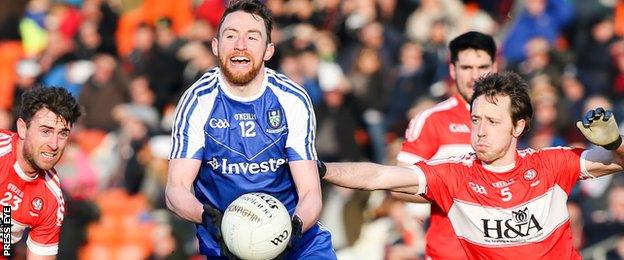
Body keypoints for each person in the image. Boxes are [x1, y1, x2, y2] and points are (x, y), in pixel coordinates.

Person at [319, 71, 624, 259]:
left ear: (518, 127)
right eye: (475, 119)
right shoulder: (453, 175)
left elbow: (617, 162)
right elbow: (378, 175)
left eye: (492, 121)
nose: (480, 130)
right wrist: (319, 168)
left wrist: (615, 144)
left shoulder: (551, 163)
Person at [165, 1, 335, 259]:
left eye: (252, 37)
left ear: (268, 50)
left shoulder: (291, 98)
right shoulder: (198, 101)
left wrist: (293, 229)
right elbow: (175, 189)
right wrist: (210, 220)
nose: (240, 45)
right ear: (215, 45)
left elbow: (310, 192)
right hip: (228, 245)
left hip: (297, 244)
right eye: (230, 35)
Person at [395, 31, 497, 259]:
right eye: (466, 68)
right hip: (451, 252)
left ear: (495, 67)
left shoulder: (513, 119)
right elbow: (398, 184)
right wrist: (451, 191)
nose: (475, 76)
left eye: (482, 67)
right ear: (453, 70)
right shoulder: (432, 119)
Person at [0, 86, 81, 259]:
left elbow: (5, 230)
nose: (54, 144)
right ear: (22, 128)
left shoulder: (51, 198)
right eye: (46, 131)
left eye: (63, 134)